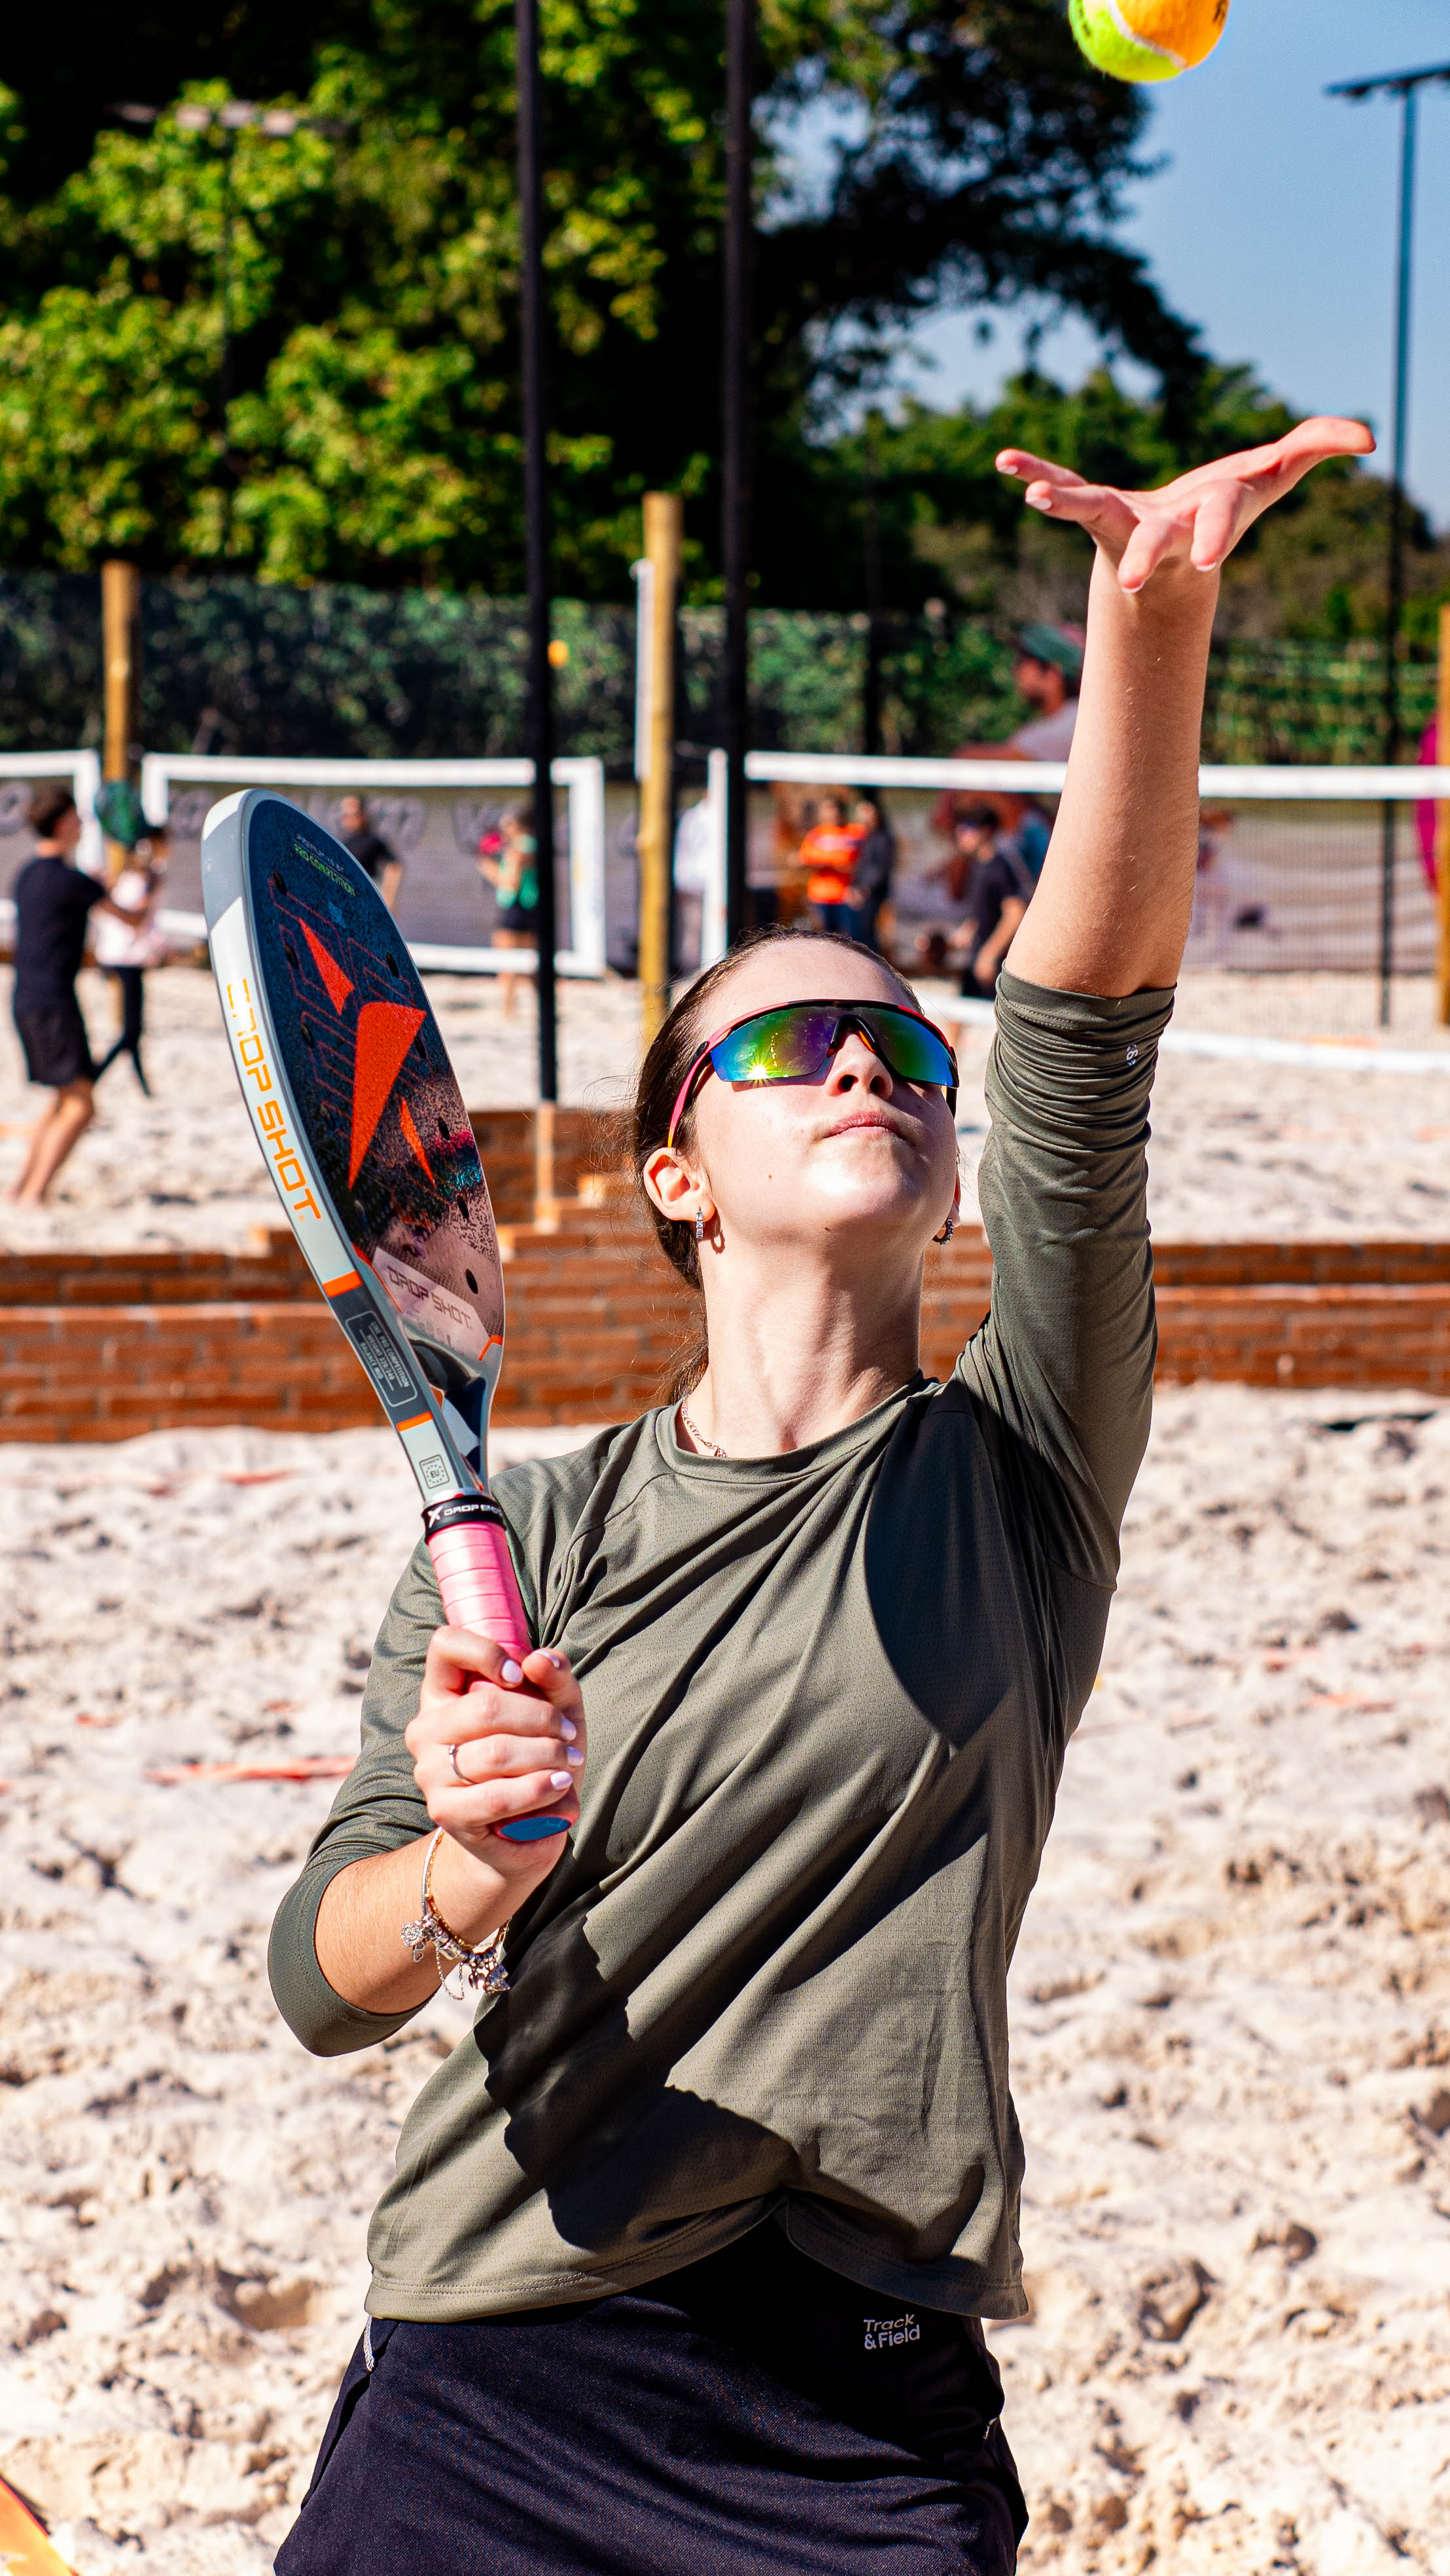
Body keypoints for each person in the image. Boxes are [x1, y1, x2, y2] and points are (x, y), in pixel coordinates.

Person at [267, 411, 1370, 2576]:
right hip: (492, 2364)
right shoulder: (533, 1532)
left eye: (900, 1050)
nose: (867, 1058)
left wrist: (1144, 628)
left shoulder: (1019, 1466)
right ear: (674, 1173)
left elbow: (1078, 1031)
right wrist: (465, 1872)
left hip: (849, 2418)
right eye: (787, 1046)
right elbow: (329, 1975)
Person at [7, 785, 149, 1206]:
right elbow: (134, 920)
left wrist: (98, 885)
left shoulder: (27, 873)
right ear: (63, 822)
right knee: (82, 1107)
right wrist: (150, 874)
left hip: (24, 998)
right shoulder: (73, 881)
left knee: (66, 1096)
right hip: (54, 1002)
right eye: (78, 818)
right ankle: (35, 1194)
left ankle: (21, 1189)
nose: (84, 825)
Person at [934, 623, 1085, 878]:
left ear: (1052, 672)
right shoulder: (1065, 723)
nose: (1015, 669)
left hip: (1063, 860)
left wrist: (947, 812)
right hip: (1060, 851)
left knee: (984, 791)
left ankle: (958, 890)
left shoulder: (1073, 721)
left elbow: (969, 758)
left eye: (1023, 660)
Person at [925, 805, 1034, 996]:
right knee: (958, 1013)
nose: (961, 833)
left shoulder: (1000, 867)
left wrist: (990, 954)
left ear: (987, 831)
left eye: (968, 827)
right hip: (977, 960)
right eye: (960, 827)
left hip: (997, 966)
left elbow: (1015, 913)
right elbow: (984, 914)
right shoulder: (978, 867)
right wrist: (956, 940)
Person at [94, 827, 170, 1094]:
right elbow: (137, 918)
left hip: (120, 954)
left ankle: (143, 1085)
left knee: (133, 1027)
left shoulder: (125, 878)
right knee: (131, 1029)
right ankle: (93, 1077)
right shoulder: (144, 879)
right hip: (126, 956)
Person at [476, 810, 539, 1017]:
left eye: (507, 825)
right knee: (533, 966)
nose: (504, 830)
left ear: (516, 826)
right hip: (531, 907)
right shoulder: (533, 845)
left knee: (508, 965)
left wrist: (487, 867)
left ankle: (509, 1010)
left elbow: (510, 883)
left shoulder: (518, 849)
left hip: (515, 909)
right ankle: (541, 1009)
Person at [796, 791, 863, 933]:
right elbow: (805, 859)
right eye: (827, 809)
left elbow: (861, 862)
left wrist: (831, 862)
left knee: (848, 939)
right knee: (823, 936)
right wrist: (832, 863)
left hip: (846, 895)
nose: (831, 813)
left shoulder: (854, 833)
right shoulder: (816, 834)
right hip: (820, 895)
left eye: (834, 808)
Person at [847, 791, 896, 951]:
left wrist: (865, 889)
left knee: (866, 932)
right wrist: (853, 888)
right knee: (858, 932)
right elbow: (862, 867)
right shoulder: (867, 837)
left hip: (872, 893)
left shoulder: (883, 838)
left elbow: (880, 869)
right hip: (862, 891)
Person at [338, 796, 404, 910]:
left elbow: (395, 867)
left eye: (351, 815)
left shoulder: (372, 840)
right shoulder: (344, 842)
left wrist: (388, 899)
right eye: (344, 815)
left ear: (363, 815)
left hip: (368, 898)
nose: (346, 819)